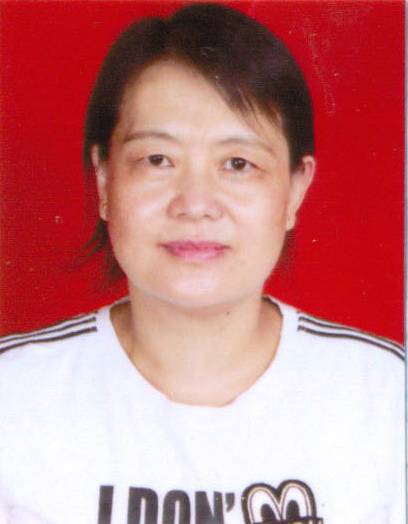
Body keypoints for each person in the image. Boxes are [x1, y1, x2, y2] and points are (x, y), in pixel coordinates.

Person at [0, 4, 404, 524]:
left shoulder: (386, 398)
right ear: (104, 180)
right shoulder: (15, 397)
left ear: (294, 190)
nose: (195, 203)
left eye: (238, 164)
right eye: (157, 160)